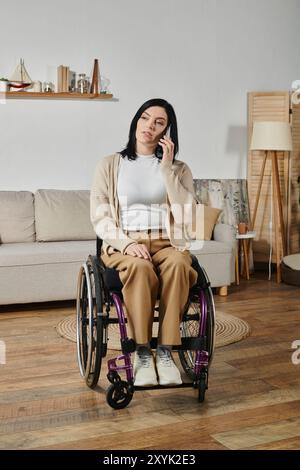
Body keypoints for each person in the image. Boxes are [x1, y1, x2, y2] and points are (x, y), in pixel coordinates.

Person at [90, 98, 198, 387]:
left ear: (167, 132)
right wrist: (126, 244)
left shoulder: (179, 169)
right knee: (139, 268)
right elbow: (100, 218)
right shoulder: (110, 164)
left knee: (177, 264)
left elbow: (187, 215)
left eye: (159, 122)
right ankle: (141, 352)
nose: (150, 126)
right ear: (136, 121)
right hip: (125, 244)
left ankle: (164, 351)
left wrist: (166, 169)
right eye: (145, 118)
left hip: (167, 242)